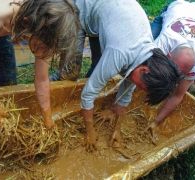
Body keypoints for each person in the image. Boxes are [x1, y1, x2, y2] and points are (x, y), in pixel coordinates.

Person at [64, 0, 182, 151]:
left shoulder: (150, 58)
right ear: (144, 70)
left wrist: (117, 130)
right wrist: (90, 131)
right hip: (80, 9)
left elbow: (125, 95)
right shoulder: (120, 53)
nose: (137, 88)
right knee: (70, 72)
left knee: (97, 66)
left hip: (108, 15)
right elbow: (88, 94)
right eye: (141, 86)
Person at [0, 0, 80, 128]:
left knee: (7, 82)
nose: (44, 53)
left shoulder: (42, 24)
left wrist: (47, 118)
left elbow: (42, 79)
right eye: (43, 46)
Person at [149, 0, 195, 128]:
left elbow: (178, 95)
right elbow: (141, 66)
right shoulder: (163, 43)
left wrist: (156, 122)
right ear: (168, 55)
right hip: (176, 6)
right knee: (146, 41)